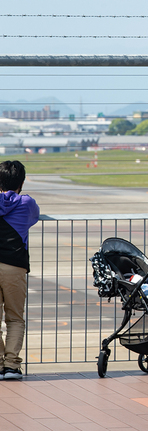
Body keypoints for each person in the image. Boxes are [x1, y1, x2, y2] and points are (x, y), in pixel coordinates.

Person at [0, 161, 40, 380]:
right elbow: (33, 218)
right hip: (15, 266)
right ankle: (12, 365)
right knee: (15, 318)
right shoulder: (27, 203)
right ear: (22, 182)